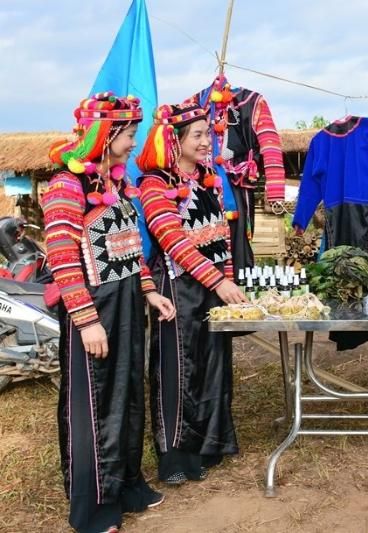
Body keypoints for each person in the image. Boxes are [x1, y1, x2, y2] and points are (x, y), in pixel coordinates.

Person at [44, 92, 176, 533]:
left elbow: (131, 248)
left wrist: (149, 291)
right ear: (107, 133)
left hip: (125, 302)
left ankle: (127, 485)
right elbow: (62, 256)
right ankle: (94, 504)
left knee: (128, 392)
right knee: (96, 403)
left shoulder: (115, 185)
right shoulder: (66, 185)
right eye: (130, 133)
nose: (135, 141)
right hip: (94, 305)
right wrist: (85, 320)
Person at [136, 102, 247, 487]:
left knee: (213, 363)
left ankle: (209, 443)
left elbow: (222, 238)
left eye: (208, 134)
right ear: (175, 140)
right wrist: (219, 282)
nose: (206, 142)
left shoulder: (208, 178)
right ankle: (174, 455)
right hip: (177, 288)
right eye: (197, 136)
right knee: (178, 369)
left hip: (214, 287)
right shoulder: (154, 184)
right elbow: (174, 242)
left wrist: (227, 279)